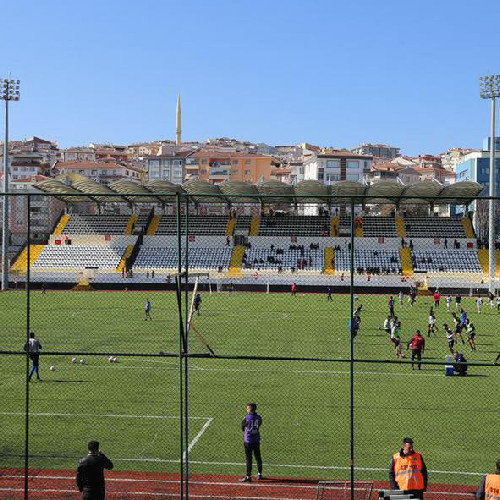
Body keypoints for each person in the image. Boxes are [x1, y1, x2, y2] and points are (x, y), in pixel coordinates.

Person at [241, 403, 263, 482]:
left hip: (248, 441)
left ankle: (248, 476)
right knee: (258, 457)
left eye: (247, 408)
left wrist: (246, 430)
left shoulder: (246, 417)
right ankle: (259, 474)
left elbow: (243, 427)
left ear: (250, 409)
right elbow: (260, 424)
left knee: (249, 459)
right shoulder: (258, 417)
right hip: (256, 440)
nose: (246, 410)